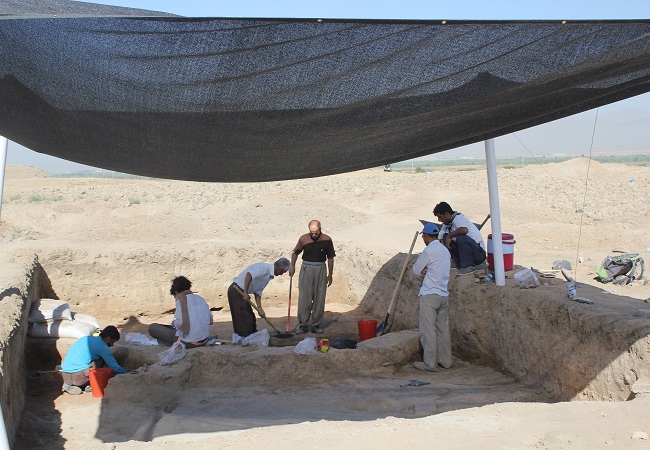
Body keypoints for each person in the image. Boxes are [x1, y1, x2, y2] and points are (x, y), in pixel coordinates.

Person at [412, 223, 453, 372]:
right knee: (443, 329)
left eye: (423, 236)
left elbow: (416, 270)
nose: (423, 238)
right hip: (443, 294)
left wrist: (424, 269)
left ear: (426, 236)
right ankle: (446, 361)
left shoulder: (429, 251)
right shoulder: (444, 251)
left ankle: (430, 363)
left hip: (429, 294)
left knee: (428, 330)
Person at [289, 220, 336, 334]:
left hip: (320, 269)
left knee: (319, 298)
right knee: (305, 297)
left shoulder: (327, 239)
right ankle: (303, 324)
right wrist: (292, 266)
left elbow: (330, 258)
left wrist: (330, 274)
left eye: (316, 232)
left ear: (320, 229)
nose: (314, 235)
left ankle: (316, 324)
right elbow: (295, 253)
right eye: (312, 233)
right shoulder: (304, 239)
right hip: (307, 269)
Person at [228, 258, 291, 337]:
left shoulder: (268, 276)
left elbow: (258, 291)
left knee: (249, 317)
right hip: (237, 290)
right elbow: (249, 274)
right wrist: (245, 292)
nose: (282, 274)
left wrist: (259, 308)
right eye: (284, 272)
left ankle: (249, 336)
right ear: (280, 269)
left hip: (242, 292)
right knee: (245, 317)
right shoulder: (264, 268)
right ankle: (245, 338)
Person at [60, 325, 127, 395]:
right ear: (107, 339)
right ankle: (89, 384)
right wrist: (127, 374)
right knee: (100, 360)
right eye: (113, 341)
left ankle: (69, 384)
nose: (112, 345)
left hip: (65, 374)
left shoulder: (86, 338)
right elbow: (114, 367)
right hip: (79, 377)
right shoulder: (103, 347)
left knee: (92, 359)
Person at [149, 276, 212, 348]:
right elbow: (211, 321)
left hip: (190, 342)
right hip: (204, 340)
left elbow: (181, 324)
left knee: (153, 328)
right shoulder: (200, 298)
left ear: (176, 292)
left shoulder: (181, 301)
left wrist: (174, 323)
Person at [433, 201, 487, 275]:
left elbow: (464, 230)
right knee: (446, 237)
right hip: (469, 252)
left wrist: (450, 235)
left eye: (440, 217)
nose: (439, 220)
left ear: (447, 214)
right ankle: (457, 262)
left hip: (479, 254)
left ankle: (468, 266)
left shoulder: (458, 219)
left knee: (461, 238)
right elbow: (440, 237)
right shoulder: (447, 224)